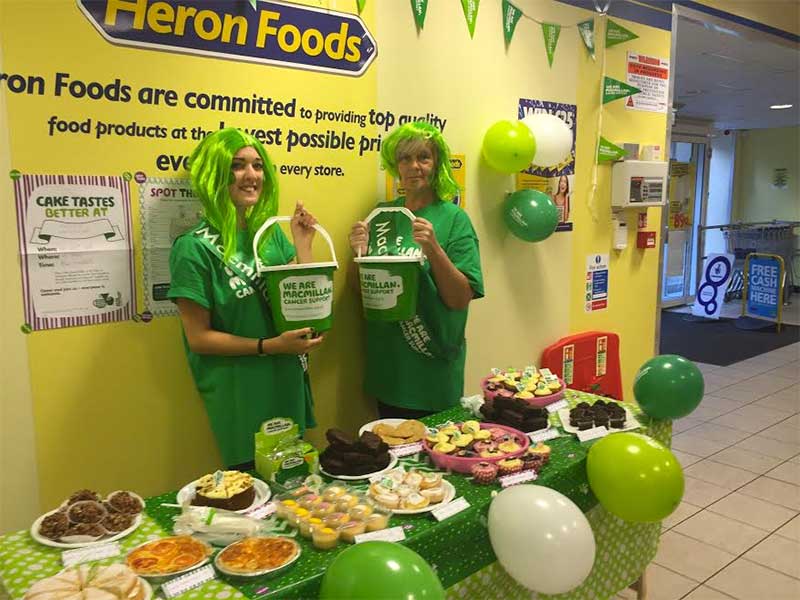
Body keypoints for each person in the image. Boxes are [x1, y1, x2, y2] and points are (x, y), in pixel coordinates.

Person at [168, 127, 323, 469]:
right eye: (237, 165)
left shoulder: (268, 236)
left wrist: (303, 244)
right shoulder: (192, 248)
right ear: (214, 174)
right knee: (252, 490)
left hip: (286, 378)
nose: (251, 175)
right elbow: (199, 338)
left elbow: (300, 301)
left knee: (293, 487)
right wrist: (270, 346)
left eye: (257, 165)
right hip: (240, 390)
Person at [348, 121, 484, 419]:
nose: (414, 166)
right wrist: (355, 251)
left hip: (433, 369)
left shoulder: (454, 219)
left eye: (423, 157)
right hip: (389, 370)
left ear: (437, 164)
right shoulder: (382, 215)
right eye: (405, 159)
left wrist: (433, 249)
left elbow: (460, 298)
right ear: (395, 166)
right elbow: (361, 291)